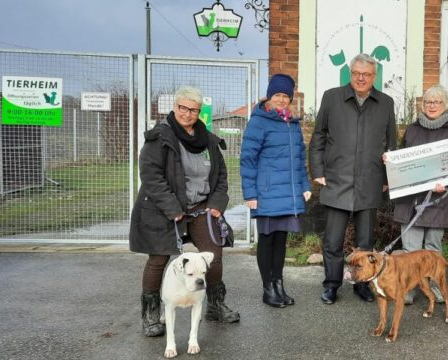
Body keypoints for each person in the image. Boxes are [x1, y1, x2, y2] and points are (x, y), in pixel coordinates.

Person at [129, 86, 240, 337]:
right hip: (164, 209)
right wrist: (173, 208)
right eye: (183, 108)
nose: (188, 114)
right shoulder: (160, 138)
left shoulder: (208, 140)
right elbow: (151, 177)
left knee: (213, 255)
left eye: (194, 110)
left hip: (201, 208)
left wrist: (216, 204)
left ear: (200, 112)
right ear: (175, 107)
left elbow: (221, 176)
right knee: (159, 259)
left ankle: (215, 305)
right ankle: (150, 314)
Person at [309, 53, 397, 305]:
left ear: (374, 77)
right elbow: (318, 138)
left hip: (370, 183)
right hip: (337, 181)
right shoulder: (332, 97)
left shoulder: (386, 103)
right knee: (332, 241)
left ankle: (363, 285)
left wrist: (387, 177)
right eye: (357, 73)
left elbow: (391, 144)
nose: (361, 78)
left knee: (365, 244)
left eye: (367, 74)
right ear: (351, 73)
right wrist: (318, 172)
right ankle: (332, 285)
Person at [241, 74, 311, 308]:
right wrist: (250, 194)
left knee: (281, 241)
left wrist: (305, 185)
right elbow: (248, 159)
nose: (281, 100)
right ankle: (267, 288)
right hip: (267, 192)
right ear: (269, 97)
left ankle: (279, 284)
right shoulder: (259, 121)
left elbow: (300, 159)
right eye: (277, 95)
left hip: (289, 194)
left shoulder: (293, 123)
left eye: (285, 96)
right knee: (267, 239)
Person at [391, 85, 448, 305]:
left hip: (438, 199)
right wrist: (391, 162)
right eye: (428, 102)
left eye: (437, 102)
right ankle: (409, 288)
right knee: (410, 250)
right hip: (411, 200)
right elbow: (402, 159)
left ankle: (434, 286)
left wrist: (445, 182)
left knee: (432, 249)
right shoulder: (412, 129)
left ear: (445, 105)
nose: (432, 106)